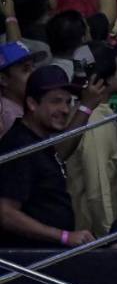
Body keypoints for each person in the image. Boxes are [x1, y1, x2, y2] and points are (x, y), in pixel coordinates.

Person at [0, 65, 110, 249]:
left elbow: (60, 153)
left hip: (45, 254)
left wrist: (86, 107)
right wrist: (64, 236)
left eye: (68, 102)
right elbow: (5, 213)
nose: (65, 109)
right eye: (56, 101)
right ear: (33, 104)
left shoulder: (36, 139)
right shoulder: (19, 146)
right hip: (29, 261)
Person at [65, 43, 117, 237]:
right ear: (101, 80)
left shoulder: (87, 114)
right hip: (95, 235)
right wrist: (109, 237)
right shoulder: (95, 121)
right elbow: (98, 190)